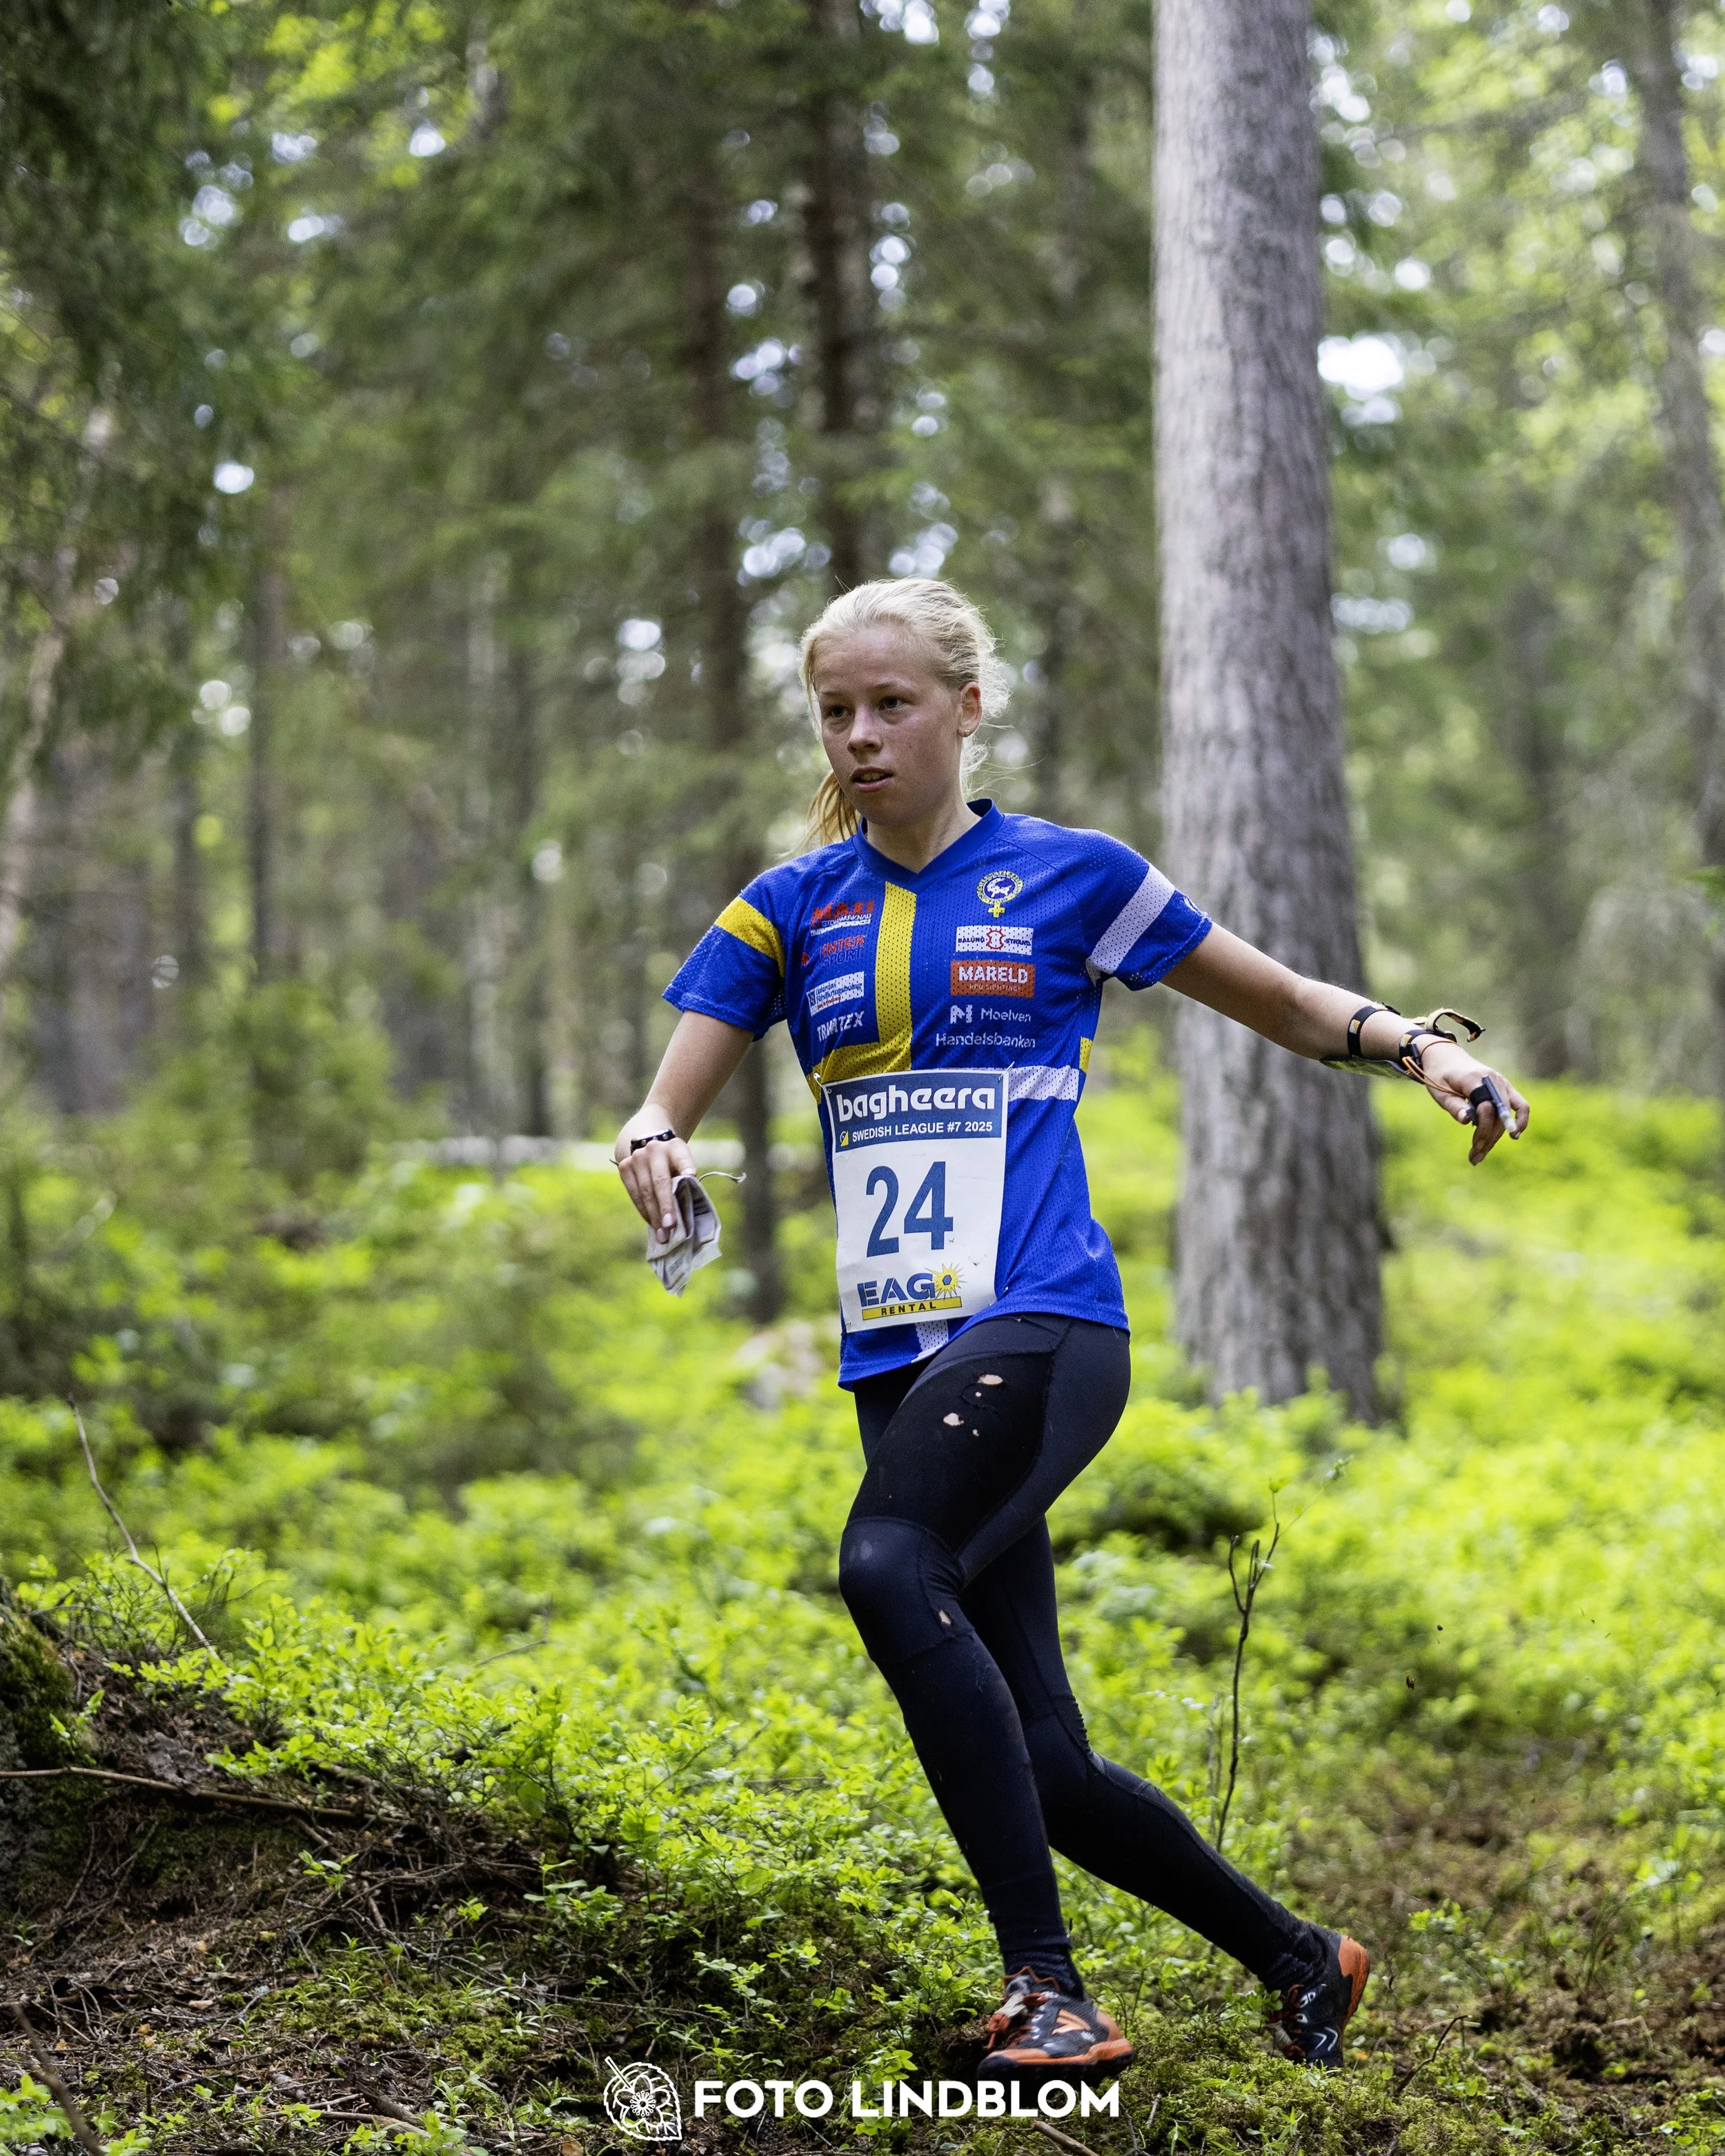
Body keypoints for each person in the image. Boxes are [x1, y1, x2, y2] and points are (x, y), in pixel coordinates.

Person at [613, 577, 1528, 2077]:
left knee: (884, 1558)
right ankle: (1304, 1956)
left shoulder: (1069, 876)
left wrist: (1415, 1045)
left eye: (890, 704)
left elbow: (1290, 1001)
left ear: (965, 709)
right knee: (1040, 1757)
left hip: (1042, 1321)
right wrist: (653, 1142)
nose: (857, 736)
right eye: (834, 710)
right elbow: (668, 1092)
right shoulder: (783, 909)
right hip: (896, 1354)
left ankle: (1046, 1985)